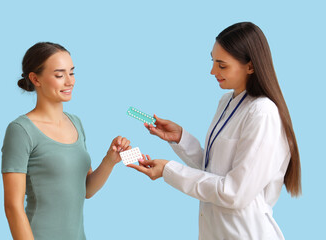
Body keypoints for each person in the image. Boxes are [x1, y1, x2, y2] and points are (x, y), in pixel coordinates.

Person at [128, 22, 301, 240]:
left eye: (222, 65)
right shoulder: (227, 101)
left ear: (250, 66)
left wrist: (168, 170)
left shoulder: (262, 112)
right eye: (213, 61)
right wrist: (181, 139)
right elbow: (214, 171)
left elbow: (235, 192)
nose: (212, 71)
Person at [1, 42, 131, 240]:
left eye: (72, 73)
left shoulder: (76, 123)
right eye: (60, 75)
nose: (70, 82)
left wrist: (110, 160)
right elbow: (13, 207)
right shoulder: (20, 130)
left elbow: (86, 190)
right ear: (35, 79)